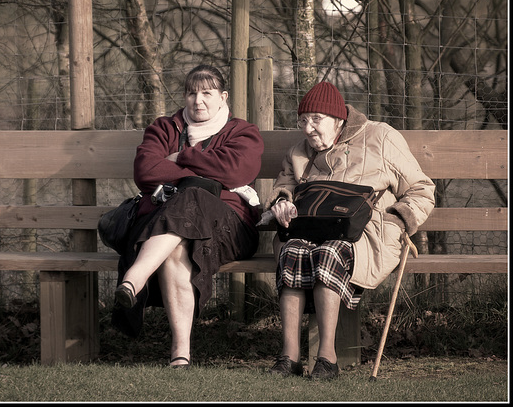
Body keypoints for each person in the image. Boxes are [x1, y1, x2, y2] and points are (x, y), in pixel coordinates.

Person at [263, 81, 435, 380]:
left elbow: (422, 190)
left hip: (367, 232)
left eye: (316, 120)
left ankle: (327, 359)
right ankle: (289, 358)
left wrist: (398, 219)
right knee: (292, 250)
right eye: (303, 121)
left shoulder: (380, 137)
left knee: (330, 252)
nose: (308, 129)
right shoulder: (298, 152)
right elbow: (284, 186)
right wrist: (281, 202)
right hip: (311, 227)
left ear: (339, 119)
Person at [111, 64, 264, 369]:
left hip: (230, 228)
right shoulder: (164, 128)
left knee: (193, 195)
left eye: (207, 93)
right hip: (166, 225)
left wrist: (181, 158)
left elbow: (237, 170)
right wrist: (209, 171)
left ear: (223, 97)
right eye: (192, 93)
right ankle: (180, 355)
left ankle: (134, 278)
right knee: (177, 248)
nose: (198, 100)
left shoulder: (242, 131)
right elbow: (145, 171)